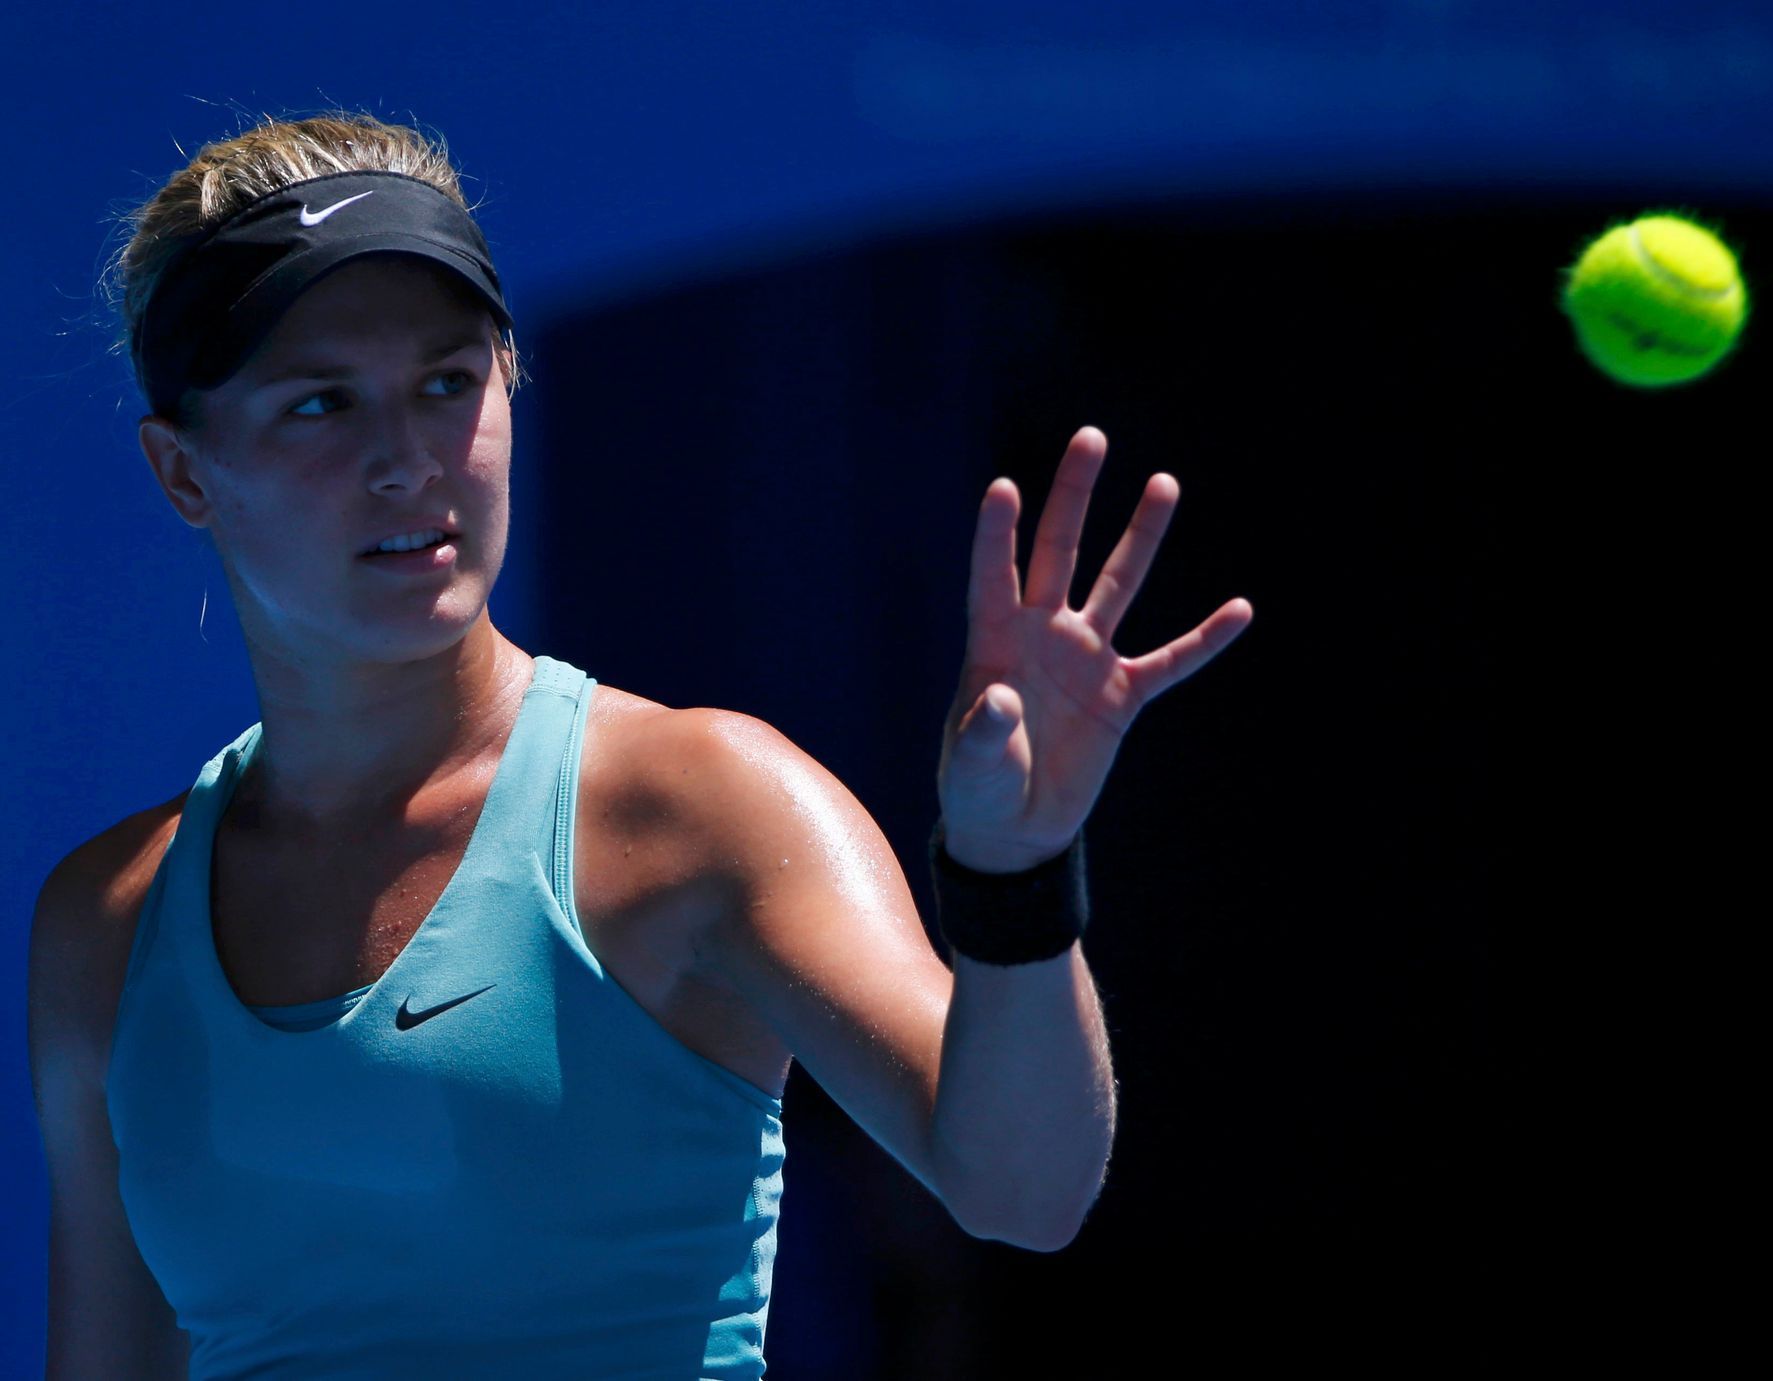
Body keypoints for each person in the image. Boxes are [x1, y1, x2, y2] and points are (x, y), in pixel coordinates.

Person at [26, 110, 1254, 1379]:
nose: (405, 461)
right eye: (321, 402)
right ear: (183, 472)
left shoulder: (707, 805)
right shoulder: (103, 926)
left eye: (449, 382)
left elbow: (1023, 1191)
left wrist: (1018, 871)